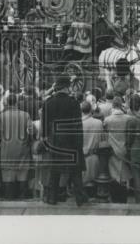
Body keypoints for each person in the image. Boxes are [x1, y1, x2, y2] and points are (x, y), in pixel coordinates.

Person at [41, 75, 88, 206]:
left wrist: (46, 140)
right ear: (67, 87)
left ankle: (52, 197)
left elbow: (44, 126)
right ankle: (80, 198)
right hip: (71, 140)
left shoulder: (48, 103)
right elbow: (78, 125)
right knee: (75, 171)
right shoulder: (73, 103)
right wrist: (79, 144)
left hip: (54, 141)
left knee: (54, 171)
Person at [0, 93, 34, 199]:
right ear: (17, 102)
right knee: (22, 170)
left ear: (7, 102)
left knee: (8, 171)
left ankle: (9, 195)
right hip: (22, 147)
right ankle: (22, 194)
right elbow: (31, 131)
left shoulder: (1, 116)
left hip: (7, 148)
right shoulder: (25, 115)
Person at [103, 96, 131, 202]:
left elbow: (104, 132)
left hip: (113, 149)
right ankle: (123, 196)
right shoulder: (128, 118)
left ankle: (115, 196)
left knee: (114, 175)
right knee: (123, 174)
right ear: (121, 105)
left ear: (113, 105)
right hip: (124, 149)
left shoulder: (107, 120)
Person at [80, 101, 104, 198]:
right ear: (91, 110)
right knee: (94, 186)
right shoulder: (98, 123)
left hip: (82, 158)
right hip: (95, 157)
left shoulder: (79, 124)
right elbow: (102, 139)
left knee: (84, 186)